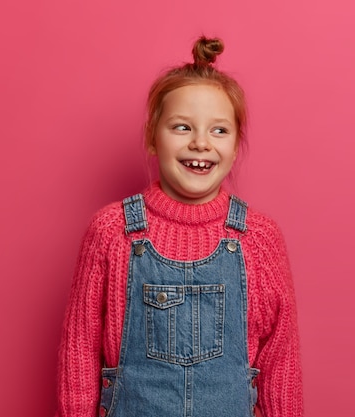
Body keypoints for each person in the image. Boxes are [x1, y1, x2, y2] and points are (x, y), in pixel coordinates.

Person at [55, 36, 303, 417]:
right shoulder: (111, 231)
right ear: (153, 138)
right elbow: (79, 349)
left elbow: (280, 361)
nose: (201, 143)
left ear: (236, 146)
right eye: (182, 127)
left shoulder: (259, 237)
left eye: (219, 130)